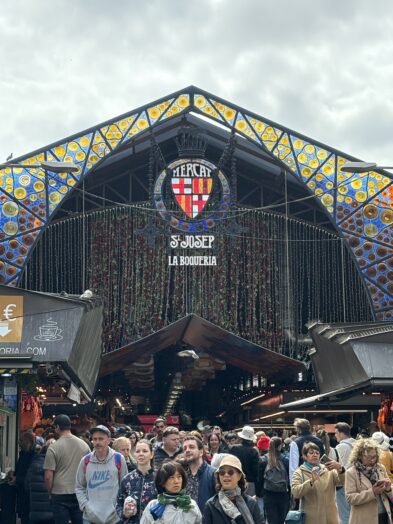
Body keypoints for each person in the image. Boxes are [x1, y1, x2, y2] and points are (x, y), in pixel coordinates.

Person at [75, 424, 128, 524]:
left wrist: (119, 507)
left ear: (108, 440)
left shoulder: (118, 459)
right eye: (94, 439)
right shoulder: (85, 461)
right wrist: (85, 506)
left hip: (114, 517)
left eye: (101, 439)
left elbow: (124, 486)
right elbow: (79, 487)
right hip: (90, 518)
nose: (97, 442)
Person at [44, 414, 91, 524]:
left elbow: (48, 476)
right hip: (79, 492)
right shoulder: (84, 445)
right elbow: (90, 469)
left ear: (57, 427)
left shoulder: (53, 448)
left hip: (59, 492)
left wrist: (50, 491)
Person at [291, 442, 344, 524]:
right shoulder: (299, 472)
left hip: (331, 519)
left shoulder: (328, 469)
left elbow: (343, 481)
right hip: (312, 519)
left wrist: (340, 469)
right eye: (311, 453)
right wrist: (311, 481)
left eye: (317, 453)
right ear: (305, 456)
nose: (315, 455)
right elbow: (296, 492)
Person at [202, 454, 264, 523]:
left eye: (230, 472)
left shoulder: (251, 503)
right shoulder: (211, 505)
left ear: (239, 476)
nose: (226, 475)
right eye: (222, 472)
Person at [345, 438, 392, 524]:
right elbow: (350, 498)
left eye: (374, 457)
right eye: (368, 457)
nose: (372, 460)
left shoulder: (380, 468)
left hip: (384, 515)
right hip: (363, 519)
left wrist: (389, 489)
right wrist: (372, 492)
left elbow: (390, 493)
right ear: (359, 456)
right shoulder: (351, 472)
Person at [116, 439, 156, 523]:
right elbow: (118, 504)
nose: (141, 454)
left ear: (151, 455)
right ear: (134, 454)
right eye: (138, 451)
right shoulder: (127, 479)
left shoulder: (159, 478)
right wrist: (125, 514)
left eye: (145, 451)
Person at [256, 436, 289, 524]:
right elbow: (289, 478)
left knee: (271, 520)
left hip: (269, 494)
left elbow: (259, 479)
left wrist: (259, 493)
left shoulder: (263, 460)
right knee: (282, 520)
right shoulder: (285, 460)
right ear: (280, 446)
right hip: (283, 494)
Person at [182, 436, 216, 511]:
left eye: (191, 447)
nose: (187, 450)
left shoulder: (213, 474)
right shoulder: (182, 476)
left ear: (201, 452)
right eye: (184, 448)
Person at [26, 439, 56, 524]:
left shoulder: (33, 464)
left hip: (35, 512)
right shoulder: (55, 466)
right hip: (52, 512)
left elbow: (27, 486)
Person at [333, 422, 356, 524]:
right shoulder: (356, 443)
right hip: (357, 480)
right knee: (354, 511)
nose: (335, 435)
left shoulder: (341, 447)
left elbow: (338, 465)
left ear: (342, 433)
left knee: (344, 512)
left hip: (344, 482)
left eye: (336, 433)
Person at [289, 418, 324, 483]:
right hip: (320, 476)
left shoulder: (295, 443)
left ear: (298, 429)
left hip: (303, 478)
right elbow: (323, 460)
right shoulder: (320, 441)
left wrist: (293, 484)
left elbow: (293, 466)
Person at [229, 425, 259, 495]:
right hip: (249, 483)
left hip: (235, 480)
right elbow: (256, 471)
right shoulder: (253, 451)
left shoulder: (234, 449)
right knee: (249, 503)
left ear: (241, 437)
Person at [15, 431, 37, 524]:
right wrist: (14, 474)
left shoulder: (33, 456)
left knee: (27, 517)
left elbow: (31, 476)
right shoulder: (23, 454)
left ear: (28, 443)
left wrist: (17, 478)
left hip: (28, 493)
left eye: (22, 442)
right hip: (22, 491)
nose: (20, 444)